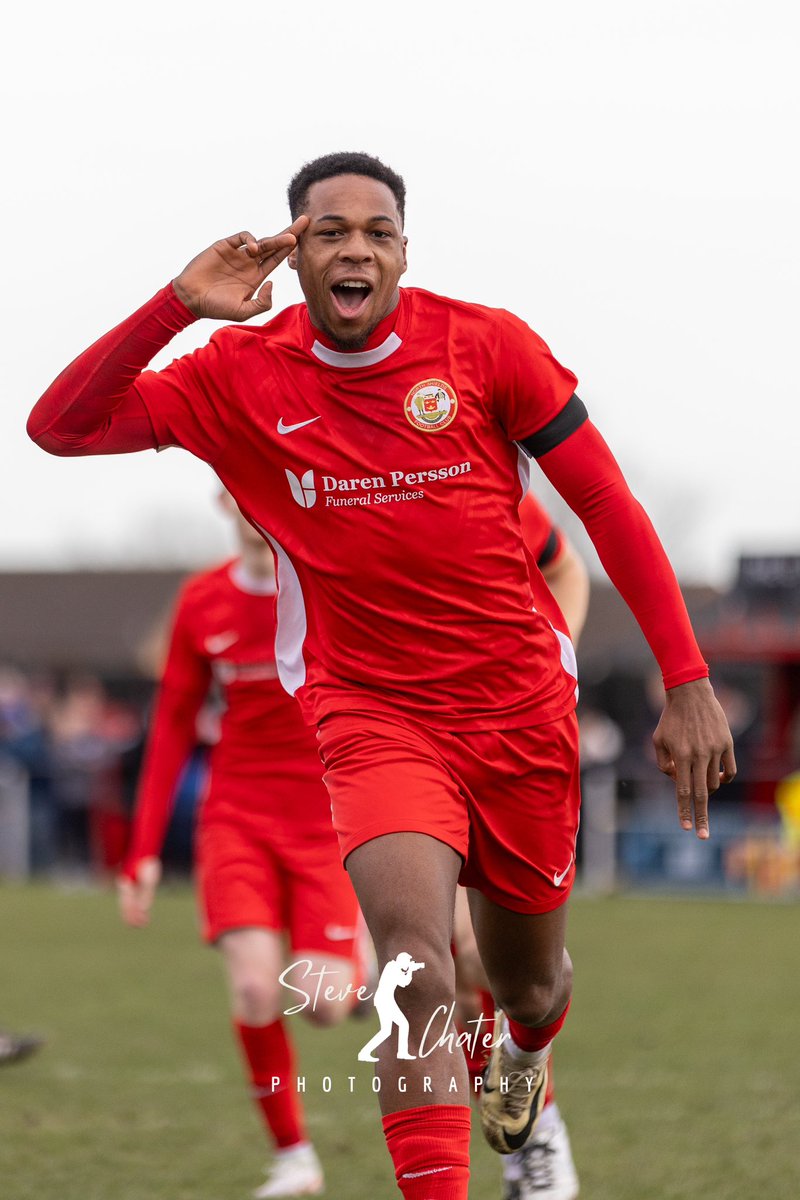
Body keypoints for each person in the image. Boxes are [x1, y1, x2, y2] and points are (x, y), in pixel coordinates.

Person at [28, 150, 735, 1200]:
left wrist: (686, 677)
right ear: (294, 251)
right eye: (329, 231)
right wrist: (177, 304)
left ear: (404, 252)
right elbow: (59, 427)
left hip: (519, 712)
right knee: (414, 963)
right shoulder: (238, 374)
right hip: (372, 717)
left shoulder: (487, 347)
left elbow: (605, 506)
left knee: (527, 987)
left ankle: (525, 1060)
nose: (354, 248)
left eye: (377, 231)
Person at [117, 494, 362, 1198]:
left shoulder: (328, 583)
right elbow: (172, 722)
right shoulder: (202, 601)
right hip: (236, 817)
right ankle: (294, 1159)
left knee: (323, 1005)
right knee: (256, 988)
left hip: (326, 820)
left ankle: (364, 956)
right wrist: (142, 851)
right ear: (226, 498)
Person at [453, 493, 587, 1200]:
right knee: (434, 968)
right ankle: (522, 1151)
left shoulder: (475, 482)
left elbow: (567, 567)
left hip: (502, 745)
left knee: (490, 967)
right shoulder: (303, 496)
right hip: (387, 752)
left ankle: (535, 1127)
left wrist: (552, 666)